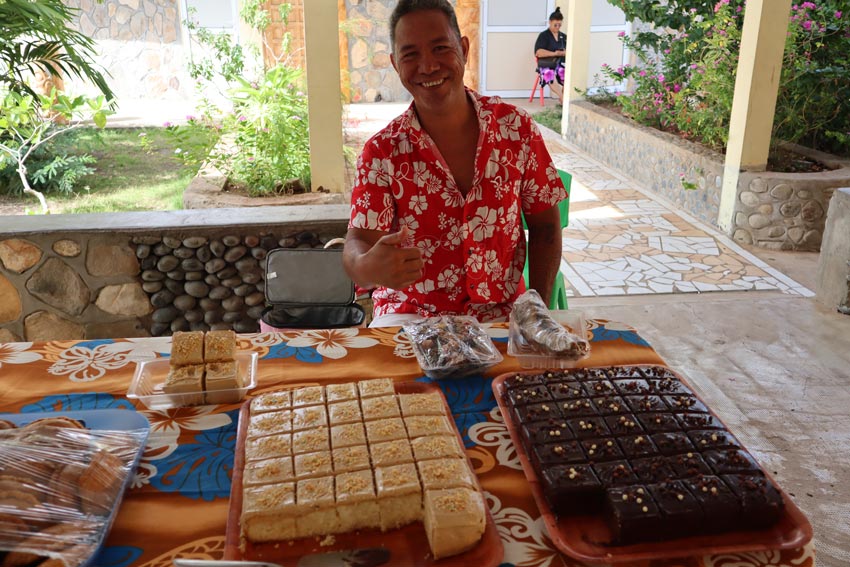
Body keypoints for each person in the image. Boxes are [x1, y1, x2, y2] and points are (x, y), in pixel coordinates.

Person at [342, 0, 567, 328]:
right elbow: (357, 241)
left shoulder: (516, 129)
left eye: (439, 48)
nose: (428, 66)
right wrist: (365, 266)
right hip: (411, 315)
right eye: (411, 55)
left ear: (463, 48)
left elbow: (546, 227)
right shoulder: (382, 153)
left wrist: (538, 315)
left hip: (501, 311)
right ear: (394, 63)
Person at [534, 7, 567, 104]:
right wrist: (554, 53)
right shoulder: (544, 35)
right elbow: (538, 52)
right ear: (550, 22)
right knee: (550, 75)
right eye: (555, 25)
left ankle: (563, 99)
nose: (557, 27)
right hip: (546, 63)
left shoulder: (563, 37)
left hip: (558, 63)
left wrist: (565, 52)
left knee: (567, 75)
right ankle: (563, 99)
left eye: (559, 25)